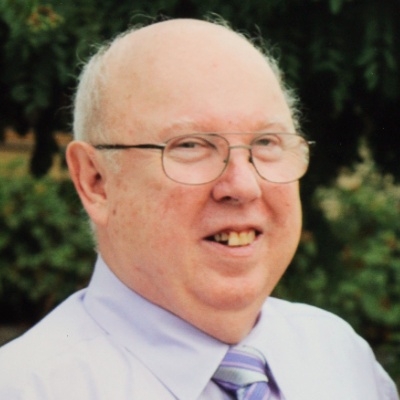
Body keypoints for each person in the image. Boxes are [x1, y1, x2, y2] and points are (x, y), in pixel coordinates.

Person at [0, 17, 398, 400]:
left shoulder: (342, 360)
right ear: (96, 181)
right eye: (190, 145)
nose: (243, 186)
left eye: (266, 142)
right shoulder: (26, 390)